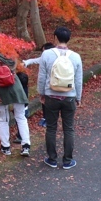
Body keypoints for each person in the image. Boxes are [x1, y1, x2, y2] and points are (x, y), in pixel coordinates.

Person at [38, 27, 83, 170]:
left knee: (51, 128)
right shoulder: (75, 57)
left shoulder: (46, 55)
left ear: (55, 38)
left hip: (51, 96)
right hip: (69, 97)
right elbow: (78, 80)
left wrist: (41, 93)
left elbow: (42, 77)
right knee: (68, 129)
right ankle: (67, 160)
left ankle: (52, 159)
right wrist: (78, 97)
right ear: (69, 39)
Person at [0, 52, 31, 157]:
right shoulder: (9, 50)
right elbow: (15, 65)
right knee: (21, 117)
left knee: (3, 119)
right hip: (15, 85)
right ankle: (26, 145)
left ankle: (5, 147)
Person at [22, 43, 55, 127]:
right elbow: (34, 60)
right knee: (44, 101)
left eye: (43, 52)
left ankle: (50, 119)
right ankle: (45, 117)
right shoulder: (44, 58)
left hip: (55, 84)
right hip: (46, 84)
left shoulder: (56, 58)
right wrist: (25, 62)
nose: (42, 54)